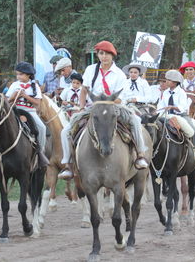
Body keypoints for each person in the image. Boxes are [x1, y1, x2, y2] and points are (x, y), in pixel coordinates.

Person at [58, 40, 149, 179]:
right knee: (66, 131)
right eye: (101, 53)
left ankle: (140, 155)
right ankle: (68, 164)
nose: (103, 57)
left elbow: (120, 98)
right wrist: (81, 108)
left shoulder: (119, 74)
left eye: (107, 54)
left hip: (114, 107)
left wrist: (108, 103)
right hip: (93, 108)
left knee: (135, 121)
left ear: (112, 55)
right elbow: (84, 90)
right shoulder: (90, 70)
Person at [157, 70, 195, 166]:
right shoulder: (165, 93)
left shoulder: (181, 92)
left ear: (175, 82)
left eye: (169, 80)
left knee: (192, 130)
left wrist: (173, 107)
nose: (166, 82)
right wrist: (159, 112)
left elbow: (183, 106)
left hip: (180, 116)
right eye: (166, 80)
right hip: (166, 115)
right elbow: (160, 106)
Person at [5, 62, 49, 167]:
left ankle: (40, 152)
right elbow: (7, 101)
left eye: (21, 74)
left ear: (28, 75)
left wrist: (25, 95)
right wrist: (14, 96)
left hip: (30, 112)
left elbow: (37, 102)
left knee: (42, 128)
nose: (18, 76)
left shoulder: (35, 86)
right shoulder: (14, 85)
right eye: (17, 74)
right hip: (15, 110)